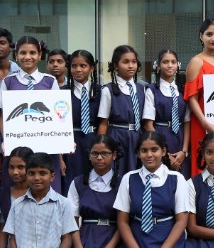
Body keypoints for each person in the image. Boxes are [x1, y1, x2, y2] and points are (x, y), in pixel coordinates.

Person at [112, 131, 189, 248]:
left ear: (163, 151)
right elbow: (122, 221)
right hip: (138, 238)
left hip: (167, 238)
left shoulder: (176, 179)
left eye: (154, 149)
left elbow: (181, 221)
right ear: (138, 153)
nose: (149, 155)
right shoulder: (129, 179)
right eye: (144, 150)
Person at [0, 35, 63, 192]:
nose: (27, 57)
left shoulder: (50, 82)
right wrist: (6, 139)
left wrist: (62, 148)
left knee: (47, 193)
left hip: (47, 149)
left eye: (32, 53)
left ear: (40, 55)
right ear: (16, 55)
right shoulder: (8, 82)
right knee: (18, 192)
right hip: (17, 149)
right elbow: (2, 117)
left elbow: (58, 118)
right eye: (22, 53)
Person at [63, 135, 121, 248]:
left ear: (114, 155)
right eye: (95, 153)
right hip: (84, 236)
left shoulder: (123, 183)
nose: (100, 158)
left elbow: (125, 222)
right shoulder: (78, 183)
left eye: (105, 153)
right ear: (89, 155)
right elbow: (71, 221)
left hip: (112, 237)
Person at [185, 18, 214, 177]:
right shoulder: (196, 61)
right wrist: (205, 123)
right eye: (209, 34)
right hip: (202, 123)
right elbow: (191, 98)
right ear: (201, 36)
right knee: (204, 163)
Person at [98, 45, 146, 176]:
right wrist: (101, 148)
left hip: (137, 137)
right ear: (115, 65)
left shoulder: (142, 89)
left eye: (134, 62)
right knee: (117, 174)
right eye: (125, 62)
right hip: (117, 137)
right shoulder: (108, 90)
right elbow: (103, 122)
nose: (131, 66)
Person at [142, 49, 190, 177]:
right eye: (165, 62)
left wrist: (184, 151)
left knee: (181, 179)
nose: (170, 65)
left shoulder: (182, 89)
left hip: (179, 137)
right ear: (158, 65)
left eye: (173, 62)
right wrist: (165, 151)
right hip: (160, 135)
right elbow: (148, 125)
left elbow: (187, 122)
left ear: (178, 65)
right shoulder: (152, 90)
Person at [66, 49, 103, 184]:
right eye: (74, 66)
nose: (78, 70)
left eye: (83, 66)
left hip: (92, 138)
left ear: (91, 68)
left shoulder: (101, 91)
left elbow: (104, 121)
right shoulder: (63, 92)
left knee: (92, 177)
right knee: (72, 179)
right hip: (70, 141)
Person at [0, 146, 33, 248]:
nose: (15, 172)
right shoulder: (4, 194)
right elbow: (2, 228)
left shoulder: (37, 193)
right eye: (11, 167)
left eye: (20, 167)